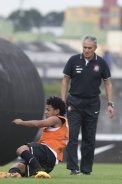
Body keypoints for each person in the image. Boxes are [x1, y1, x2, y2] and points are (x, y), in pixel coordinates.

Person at [61, 35, 115, 175]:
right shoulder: (73, 60)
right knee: (72, 135)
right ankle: (73, 168)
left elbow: (108, 83)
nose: (86, 50)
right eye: (84, 47)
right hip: (74, 102)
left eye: (89, 48)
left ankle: (86, 170)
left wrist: (110, 103)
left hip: (92, 103)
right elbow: (65, 80)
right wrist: (62, 100)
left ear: (95, 48)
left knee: (89, 138)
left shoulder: (102, 63)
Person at [0, 96, 68, 179]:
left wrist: (21, 122)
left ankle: (38, 170)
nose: (45, 112)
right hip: (48, 163)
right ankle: (13, 174)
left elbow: (37, 124)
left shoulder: (56, 119)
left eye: (48, 110)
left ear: (57, 111)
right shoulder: (61, 123)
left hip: (49, 152)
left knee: (22, 149)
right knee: (18, 166)